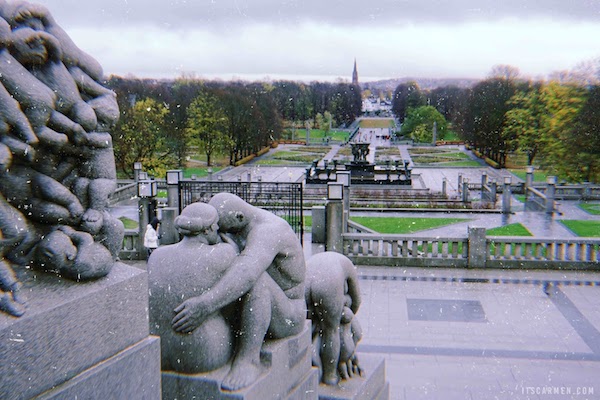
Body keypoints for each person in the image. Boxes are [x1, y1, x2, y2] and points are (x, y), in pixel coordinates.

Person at [172, 193, 306, 391]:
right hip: (258, 308)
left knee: (256, 278)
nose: (219, 232)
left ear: (239, 218)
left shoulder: (269, 230)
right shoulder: (240, 224)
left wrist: (205, 304)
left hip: (288, 313)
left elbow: (247, 273)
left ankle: (249, 360)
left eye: (224, 228)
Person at [148, 202, 238, 373]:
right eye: (215, 224)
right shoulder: (223, 253)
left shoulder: (157, 255)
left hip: (160, 352)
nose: (218, 227)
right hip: (202, 354)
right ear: (207, 230)